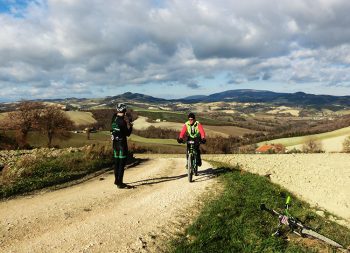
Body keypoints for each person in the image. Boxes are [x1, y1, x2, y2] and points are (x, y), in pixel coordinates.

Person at [111, 103, 133, 189]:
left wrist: (123, 114)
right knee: (121, 164)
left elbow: (116, 114)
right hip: (122, 144)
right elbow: (128, 133)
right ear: (124, 110)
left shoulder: (114, 118)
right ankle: (120, 183)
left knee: (116, 163)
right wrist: (130, 124)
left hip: (115, 144)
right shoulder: (122, 122)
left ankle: (116, 180)